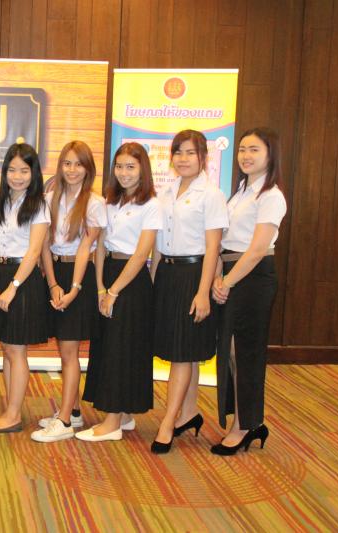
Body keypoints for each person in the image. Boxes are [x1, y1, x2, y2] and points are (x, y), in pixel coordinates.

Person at [149, 130, 228, 453]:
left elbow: (213, 248)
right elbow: (157, 243)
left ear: (203, 158)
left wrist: (203, 291)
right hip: (167, 274)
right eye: (178, 152)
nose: (183, 159)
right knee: (185, 349)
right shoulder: (166, 192)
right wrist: (153, 280)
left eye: (190, 153)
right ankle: (189, 413)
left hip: (193, 274)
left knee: (182, 352)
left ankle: (168, 423)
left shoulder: (211, 194)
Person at [210, 127, 287, 455]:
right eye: (242, 149)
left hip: (253, 278)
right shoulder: (241, 192)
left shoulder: (271, 196)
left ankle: (245, 425)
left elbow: (256, 250)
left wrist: (227, 282)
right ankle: (246, 420)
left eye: (254, 149)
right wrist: (218, 275)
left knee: (246, 352)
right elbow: (224, 240)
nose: (245, 155)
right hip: (231, 273)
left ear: (270, 155)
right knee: (230, 351)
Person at [78, 142, 160, 442]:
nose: (124, 173)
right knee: (107, 345)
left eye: (131, 167)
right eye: (120, 166)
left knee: (122, 349)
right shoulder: (109, 202)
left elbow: (141, 254)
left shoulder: (151, 204)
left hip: (131, 282)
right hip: (109, 274)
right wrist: (100, 286)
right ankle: (123, 414)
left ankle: (112, 422)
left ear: (143, 169)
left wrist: (113, 292)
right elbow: (100, 246)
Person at [32, 141, 106, 443]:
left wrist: (73, 289)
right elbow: (43, 246)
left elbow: (86, 248)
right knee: (63, 348)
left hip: (80, 276)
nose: (72, 170)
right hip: (55, 275)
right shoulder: (49, 198)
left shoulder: (95, 203)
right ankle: (73, 411)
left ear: (88, 169)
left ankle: (63, 421)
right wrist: (53, 284)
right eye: (67, 163)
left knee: (69, 352)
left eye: (79, 164)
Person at [0, 143, 50, 434]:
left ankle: (13, 414)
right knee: (6, 348)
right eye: (12, 170)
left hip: (24, 279)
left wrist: (13, 287)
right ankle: (11, 408)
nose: (17, 176)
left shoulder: (39, 205)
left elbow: (34, 252)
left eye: (24, 170)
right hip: (2, 276)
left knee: (17, 350)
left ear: (33, 173)